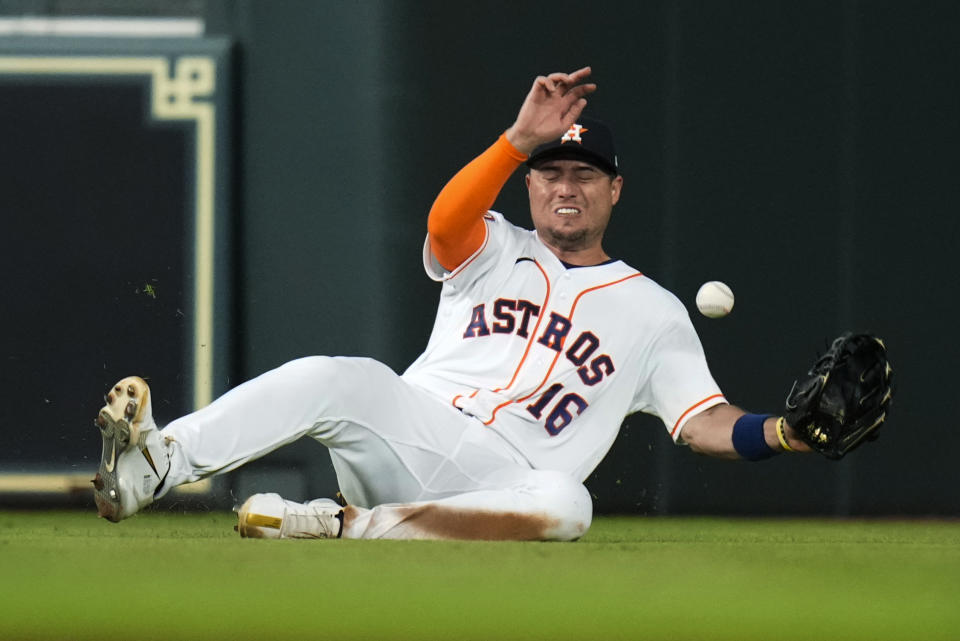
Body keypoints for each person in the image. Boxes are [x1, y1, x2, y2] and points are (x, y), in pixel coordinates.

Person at [92, 66, 812, 541]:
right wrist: (512, 142)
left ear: (615, 189)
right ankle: (152, 465)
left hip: (505, 483)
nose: (566, 186)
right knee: (339, 375)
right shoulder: (495, 242)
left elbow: (704, 420)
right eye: (550, 171)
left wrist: (781, 432)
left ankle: (341, 528)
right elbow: (443, 224)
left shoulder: (655, 312)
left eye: (585, 175)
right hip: (417, 427)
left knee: (570, 503)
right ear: (529, 186)